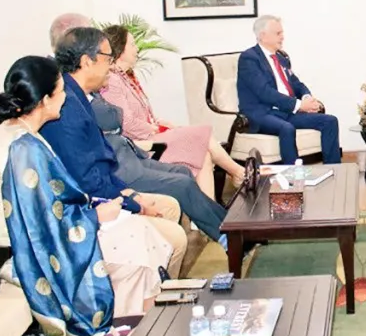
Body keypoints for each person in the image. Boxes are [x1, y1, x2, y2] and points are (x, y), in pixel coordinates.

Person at [0, 56, 173, 336]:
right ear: (45, 100)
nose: (66, 97)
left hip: (50, 236)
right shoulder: (23, 150)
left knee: (139, 233)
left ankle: (133, 329)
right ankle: (123, 332)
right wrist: (96, 216)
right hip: (26, 255)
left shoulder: (20, 133)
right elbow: (41, 229)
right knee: (137, 254)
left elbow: (50, 206)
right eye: (61, 91)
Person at [38, 27, 219, 258]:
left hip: (118, 166)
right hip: (101, 195)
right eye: (107, 58)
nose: (111, 65)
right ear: (87, 61)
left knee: (183, 173)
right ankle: (229, 234)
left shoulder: (79, 95)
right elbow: (87, 176)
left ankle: (231, 232)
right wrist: (132, 200)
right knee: (182, 183)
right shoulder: (67, 107)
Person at [99, 25, 245, 192]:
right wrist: (154, 129)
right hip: (140, 145)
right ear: (119, 48)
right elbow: (126, 122)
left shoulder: (126, 78)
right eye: (132, 44)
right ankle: (238, 172)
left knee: (204, 156)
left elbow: (144, 115)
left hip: (150, 135)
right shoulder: (112, 81)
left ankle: (210, 203)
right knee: (203, 136)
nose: (137, 48)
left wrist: (159, 123)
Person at [237, 15, 340, 164]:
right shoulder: (249, 58)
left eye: (282, 33)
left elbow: (296, 84)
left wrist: (306, 98)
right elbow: (264, 92)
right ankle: (293, 175)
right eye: (278, 33)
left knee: (330, 121)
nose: (282, 37)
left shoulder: (281, 58)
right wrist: (299, 105)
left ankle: (334, 170)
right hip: (262, 113)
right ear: (263, 36)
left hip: (286, 112)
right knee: (287, 128)